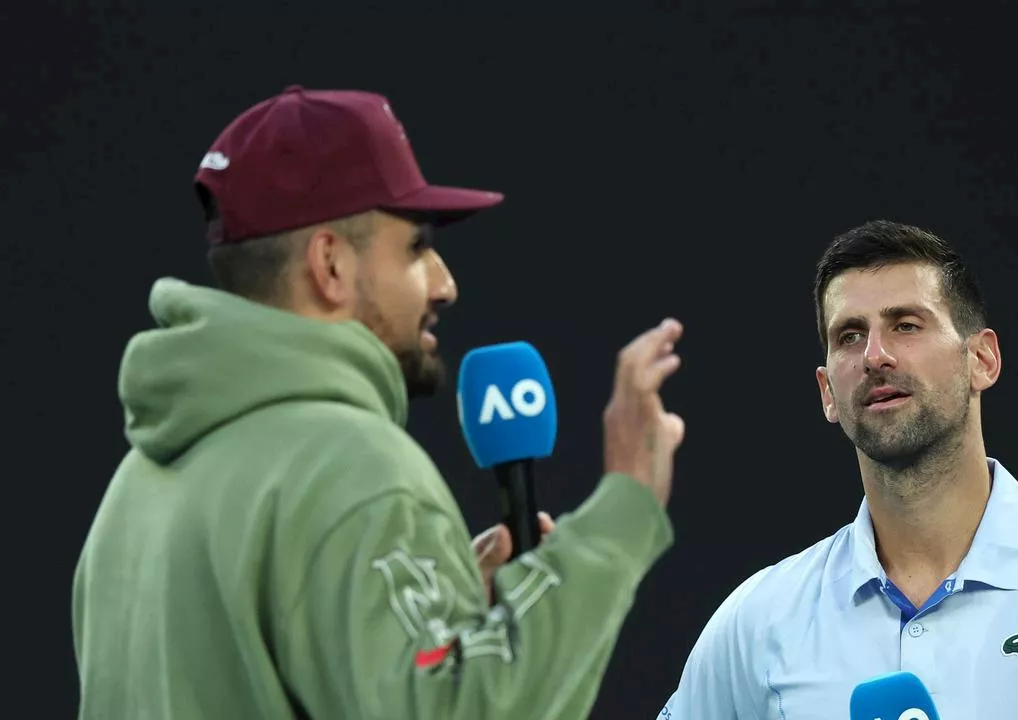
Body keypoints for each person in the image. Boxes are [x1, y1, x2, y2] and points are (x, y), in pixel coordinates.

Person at [71, 85, 687, 720]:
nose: (445, 283)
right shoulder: (350, 468)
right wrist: (623, 509)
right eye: (417, 247)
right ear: (331, 265)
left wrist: (435, 618)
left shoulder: (133, 494)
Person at [658, 220, 1018, 719]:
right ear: (827, 393)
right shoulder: (756, 621)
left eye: (906, 325)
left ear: (981, 359)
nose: (875, 356)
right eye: (850, 336)